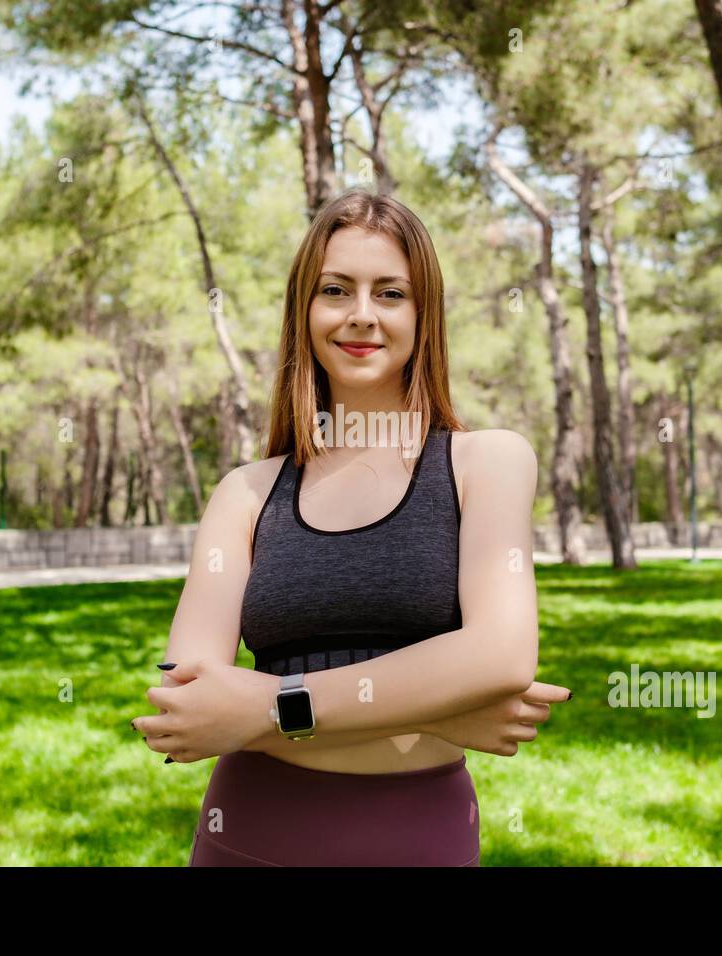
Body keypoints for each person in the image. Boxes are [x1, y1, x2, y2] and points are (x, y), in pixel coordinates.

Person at [130, 188, 571, 866]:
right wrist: (439, 708)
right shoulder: (244, 493)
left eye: (390, 293)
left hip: (418, 838)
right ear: (304, 310)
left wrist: (269, 703)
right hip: (248, 836)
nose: (362, 316)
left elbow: (502, 657)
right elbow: (187, 708)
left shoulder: (489, 462)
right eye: (336, 290)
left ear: (424, 315)